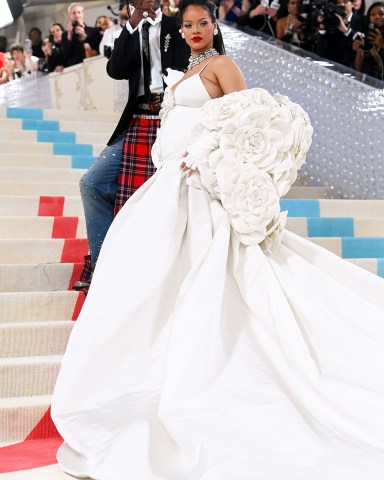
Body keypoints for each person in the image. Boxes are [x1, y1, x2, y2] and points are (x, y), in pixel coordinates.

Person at [52, 0, 384, 478]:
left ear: (214, 26)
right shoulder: (188, 68)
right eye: (186, 25)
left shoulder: (224, 64)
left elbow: (252, 119)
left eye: (201, 23)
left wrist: (206, 153)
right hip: (170, 182)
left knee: (211, 273)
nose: (192, 31)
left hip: (202, 182)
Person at [73, 0, 189, 291]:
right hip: (136, 121)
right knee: (92, 183)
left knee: (160, 197)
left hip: (170, 122)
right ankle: (103, 264)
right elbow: (115, 69)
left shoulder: (178, 26)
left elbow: (183, 65)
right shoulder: (129, 30)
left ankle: (152, 266)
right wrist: (133, 22)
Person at [315, 0, 364, 68]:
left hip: (352, 68)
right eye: (338, 3)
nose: (341, 5)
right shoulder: (331, 20)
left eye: (345, 2)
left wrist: (346, 30)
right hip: (332, 66)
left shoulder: (362, 20)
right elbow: (321, 52)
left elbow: (362, 44)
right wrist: (322, 28)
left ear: (352, 4)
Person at [353, 2, 384, 80]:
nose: (377, 17)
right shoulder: (367, 35)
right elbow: (359, 68)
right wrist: (359, 50)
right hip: (371, 82)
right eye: (372, 15)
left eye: (381, 14)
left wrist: (382, 44)